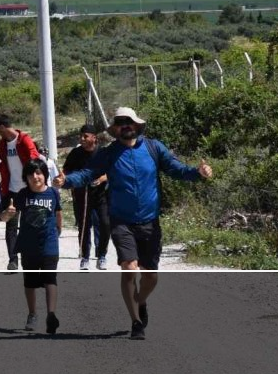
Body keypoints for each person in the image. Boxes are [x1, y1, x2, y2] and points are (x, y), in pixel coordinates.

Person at [54, 107, 213, 340]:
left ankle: (140, 301)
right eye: (120, 122)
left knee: (151, 277)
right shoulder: (108, 154)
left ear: (137, 125)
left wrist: (198, 173)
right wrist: (66, 181)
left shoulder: (153, 148)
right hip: (122, 222)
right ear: (115, 128)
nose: (125, 125)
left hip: (150, 221)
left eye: (129, 122)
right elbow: (87, 174)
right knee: (129, 268)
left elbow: (176, 169)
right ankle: (136, 322)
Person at [2, 158, 62, 335]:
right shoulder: (22, 195)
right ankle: (32, 314)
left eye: (39, 173)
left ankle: (51, 315)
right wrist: (7, 213)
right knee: (30, 281)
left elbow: (58, 213)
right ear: (26, 177)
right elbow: (5, 219)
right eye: (31, 174)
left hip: (49, 243)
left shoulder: (53, 193)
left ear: (45, 174)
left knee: (50, 278)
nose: (35, 177)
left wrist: (58, 231)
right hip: (28, 244)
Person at [0, 114, 40, 270]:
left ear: (2, 127)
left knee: (28, 225)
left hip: (27, 190)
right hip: (11, 191)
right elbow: (5, 165)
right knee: (10, 227)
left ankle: (29, 257)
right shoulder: (2, 144)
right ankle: (13, 260)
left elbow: (35, 159)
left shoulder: (24, 139)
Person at [63, 124, 112, 271]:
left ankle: (102, 255)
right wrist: (69, 180)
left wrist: (103, 178)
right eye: (81, 136)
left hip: (101, 195)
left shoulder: (103, 153)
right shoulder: (75, 153)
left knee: (105, 224)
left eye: (85, 136)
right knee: (84, 227)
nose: (82, 139)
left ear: (94, 138)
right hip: (81, 195)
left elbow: (112, 170)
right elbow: (66, 170)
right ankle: (84, 257)